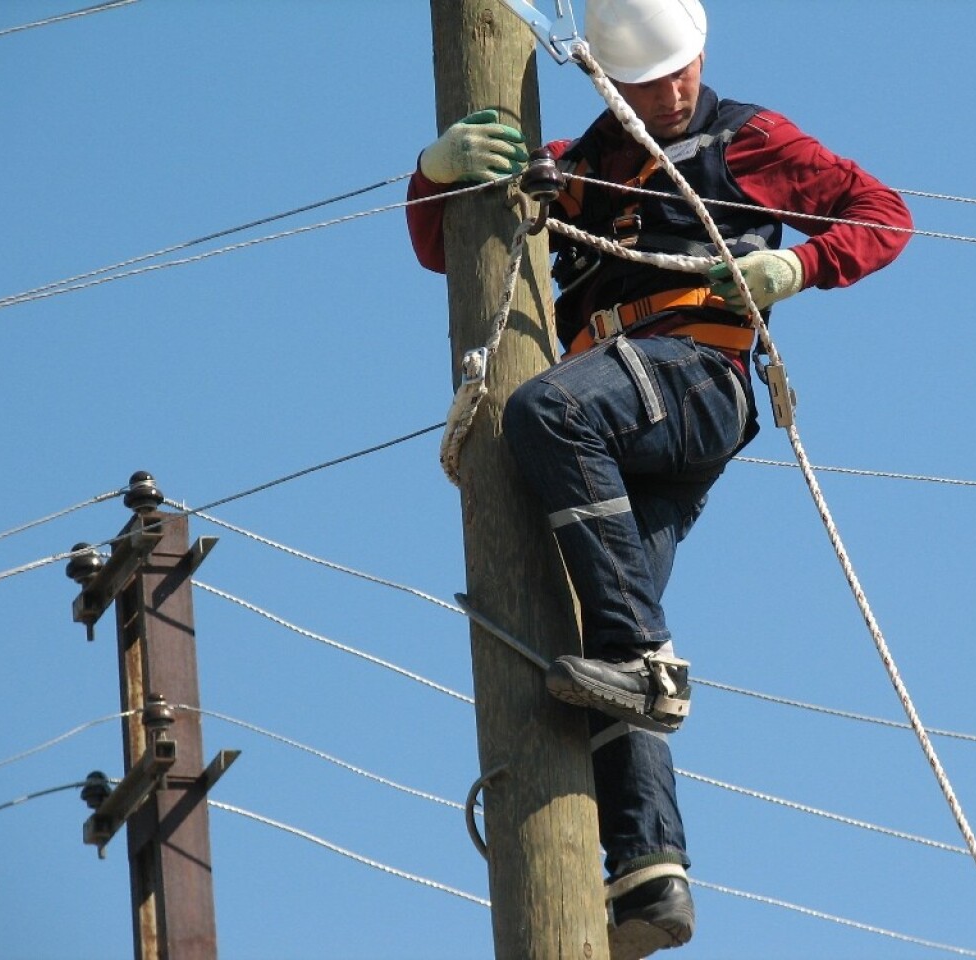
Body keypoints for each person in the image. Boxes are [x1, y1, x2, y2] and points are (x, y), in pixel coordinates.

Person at [407, 0, 912, 953]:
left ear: (702, 50)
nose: (669, 92)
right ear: (606, 79)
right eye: (644, 80)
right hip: (626, 417)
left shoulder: (750, 138)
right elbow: (451, 246)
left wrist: (796, 267)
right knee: (586, 644)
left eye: (678, 70)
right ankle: (649, 880)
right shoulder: (581, 165)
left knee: (548, 411)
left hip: (692, 378)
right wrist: (433, 175)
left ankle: (642, 662)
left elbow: (884, 215)